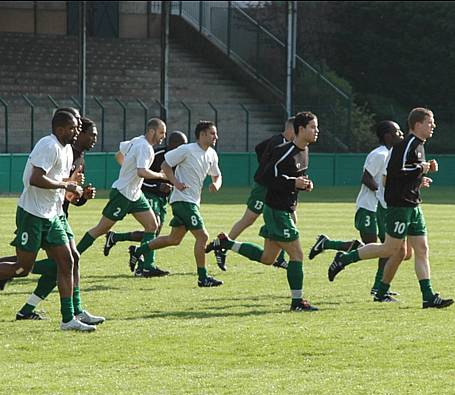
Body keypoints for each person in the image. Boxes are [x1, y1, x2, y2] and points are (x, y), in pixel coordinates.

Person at [0, 111, 98, 331]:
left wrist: (74, 187)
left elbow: (57, 180)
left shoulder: (67, 149)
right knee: (22, 268)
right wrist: (66, 185)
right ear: (59, 129)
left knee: (67, 260)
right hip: (32, 214)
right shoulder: (48, 145)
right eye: (73, 128)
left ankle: (68, 318)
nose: (77, 131)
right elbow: (35, 178)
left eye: (77, 128)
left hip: (52, 215)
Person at [326, 107, 454, 308]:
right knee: (390, 249)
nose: (433, 126)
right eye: (430, 122)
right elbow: (395, 173)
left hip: (413, 205)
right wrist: (422, 168)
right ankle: (344, 259)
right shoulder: (407, 145)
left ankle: (428, 297)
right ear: (417, 124)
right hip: (399, 206)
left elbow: (407, 174)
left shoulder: (419, 145)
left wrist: (421, 177)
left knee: (421, 249)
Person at [206, 111, 320, 311]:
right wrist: (294, 182)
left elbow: (295, 176)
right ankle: (297, 302)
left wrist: (304, 183)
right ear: (300, 130)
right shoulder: (283, 151)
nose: (316, 131)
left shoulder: (305, 151)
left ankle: (226, 243)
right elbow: (266, 177)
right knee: (297, 255)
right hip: (277, 211)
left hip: (284, 209)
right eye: (312, 127)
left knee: (268, 259)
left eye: (316, 127)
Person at [0, 116, 102, 323]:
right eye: (90, 133)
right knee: (57, 264)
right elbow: (43, 180)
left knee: (68, 262)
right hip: (42, 213)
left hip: (58, 214)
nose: (94, 139)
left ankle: (40, 310)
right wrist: (68, 186)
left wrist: (82, 196)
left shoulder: (78, 158)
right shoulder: (57, 148)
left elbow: (70, 196)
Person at [308, 120, 405, 297]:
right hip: (368, 207)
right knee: (372, 247)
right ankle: (329, 245)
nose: (401, 134)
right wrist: (383, 191)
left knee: (385, 248)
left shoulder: (390, 154)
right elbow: (366, 178)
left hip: (380, 208)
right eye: (397, 132)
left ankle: (379, 286)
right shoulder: (380, 154)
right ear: (387, 135)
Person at [129, 121, 223, 287]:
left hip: (192, 201)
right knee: (203, 236)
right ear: (202, 135)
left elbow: (217, 175)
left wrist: (216, 184)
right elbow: (165, 165)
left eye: (215, 134)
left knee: (174, 239)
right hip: (183, 200)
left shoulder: (212, 154)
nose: (216, 137)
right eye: (212, 133)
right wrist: (176, 182)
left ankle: (139, 250)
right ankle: (203, 278)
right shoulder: (187, 149)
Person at [74, 118, 168, 278]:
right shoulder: (145, 147)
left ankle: (147, 266)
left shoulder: (136, 140)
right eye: (161, 133)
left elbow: (118, 155)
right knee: (100, 229)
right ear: (152, 131)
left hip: (135, 194)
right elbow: (142, 172)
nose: (163, 137)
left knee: (152, 225)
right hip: (123, 193)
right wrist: (161, 175)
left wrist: (127, 168)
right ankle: (72, 258)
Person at [212, 117, 296, 272]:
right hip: (264, 188)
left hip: (275, 189)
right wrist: (265, 170)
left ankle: (279, 258)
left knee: (287, 219)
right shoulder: (278, 142)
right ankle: (223, 246)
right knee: (248, 219)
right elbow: (263, 153)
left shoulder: (284, 143)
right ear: (291, 129)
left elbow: (259, 148)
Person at [102, 131, 188, 277]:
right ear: (171, 144)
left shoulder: (181, 157)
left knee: (154, 232)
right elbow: (141, 176)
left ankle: (117, 238)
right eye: (181, 145)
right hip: (149, 194)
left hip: (163, 199)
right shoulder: (156, 154)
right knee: (154, 226)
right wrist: (157, 187)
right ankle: (145, 266)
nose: (183, 148)